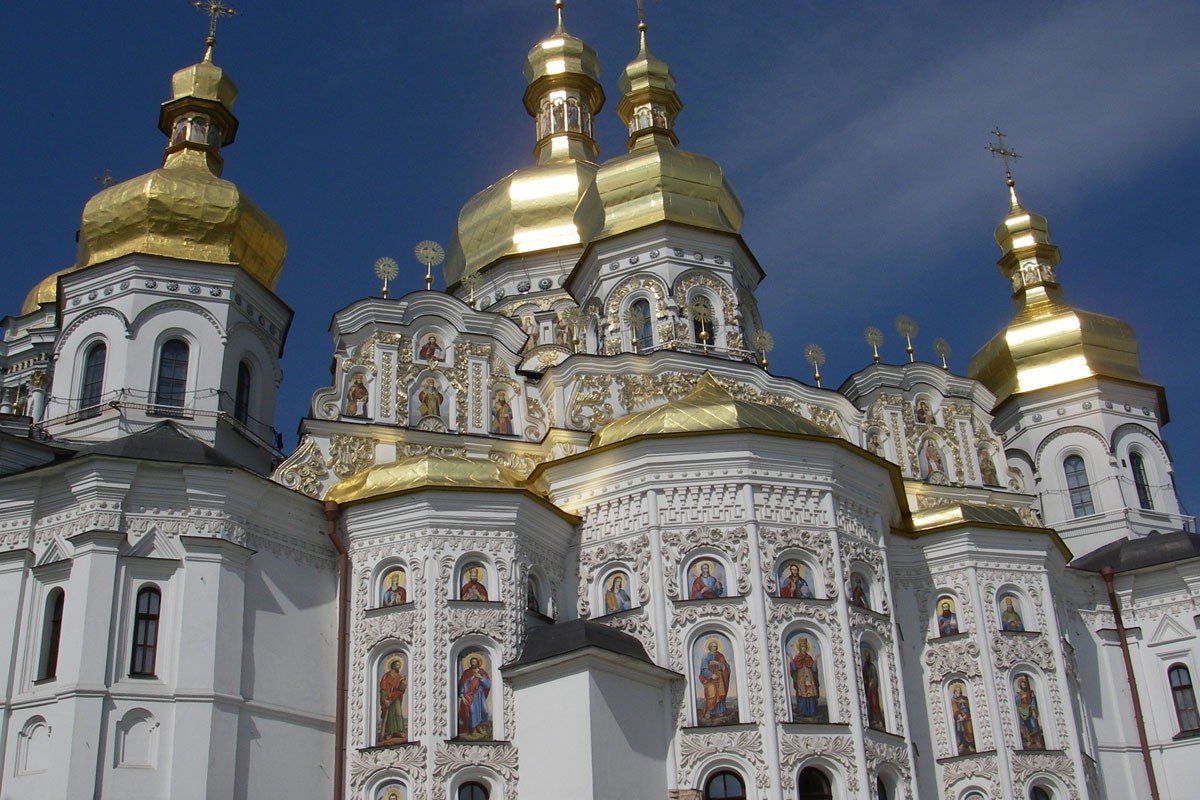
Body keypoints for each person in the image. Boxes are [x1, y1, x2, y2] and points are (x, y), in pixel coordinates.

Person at [457, 656, 492, 738]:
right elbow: (463, 684)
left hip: (479, 694)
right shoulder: (466, 673)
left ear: (478, 663)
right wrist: (462, 696)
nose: (473, 663)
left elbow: (488, 684)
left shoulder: (481, 672)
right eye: (472, 662)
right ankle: (473, 730)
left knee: (484, 710)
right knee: (472, 712)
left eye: (475, 662)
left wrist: (480, 677)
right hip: (470, 695)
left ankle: (480, 727)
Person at [698, 638, 731, 723]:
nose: (715, 647)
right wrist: (711, 675)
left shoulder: (720, 655)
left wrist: (718, 664)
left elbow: (726, 667)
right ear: (709, 647)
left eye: (716, 646)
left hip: (720, 679)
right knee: (711, 694)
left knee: (720, 693)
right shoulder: (706, 656)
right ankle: (709, 711)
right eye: (713, 646)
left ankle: (719, 711)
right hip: (710, 679)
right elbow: (703, 669)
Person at [377, 657, 407, 744]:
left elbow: (402, 689)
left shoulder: (400, 676)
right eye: (397, 665)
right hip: (387, 697)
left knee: (398, 713)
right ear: (393, 666)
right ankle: (389, 732)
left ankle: (400, 731)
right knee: (389, 715)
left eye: (399, 665)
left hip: (396, 697)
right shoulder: (386, 676)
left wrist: (403, 684)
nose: (398, 666)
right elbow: (383, 689)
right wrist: (385, 700)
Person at [789, 637, 820, 720]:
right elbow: (794, 669)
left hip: (809, 678)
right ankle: (802, 711)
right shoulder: (797, 658)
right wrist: (792, 661)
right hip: (800, 679)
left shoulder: (809, 658)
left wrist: (815, 662)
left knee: (810, 694)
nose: (803, 648)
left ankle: (811, 711)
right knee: (802, 695)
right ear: (799, 647)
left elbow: (813, 669)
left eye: (805, 646)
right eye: (802, 646)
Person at [1014, 675, 1045, 749]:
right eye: (1022, 685)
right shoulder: (1019, 694)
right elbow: (1017, 702)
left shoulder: (1030, 693)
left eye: (1024, 684)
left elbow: (1033, 702)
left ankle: (1037, 741)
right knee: (1026, 727)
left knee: (1033, 726)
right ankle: (1029, 740)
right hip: (1022, 711)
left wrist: (1033, 709)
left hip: (1029, 711)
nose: (1023, 686)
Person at [950, 683, 976, 754]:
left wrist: (965, 716)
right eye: (957, 691)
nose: (959, 693)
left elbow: (969, 707)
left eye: (960, 691)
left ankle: (970, 745)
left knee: (969, 731)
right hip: (960, 718)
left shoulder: (965, 699)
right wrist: (960, 716)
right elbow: (955, 709)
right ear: (954, 692)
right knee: (960, 731)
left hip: (967, 717)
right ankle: (963, 744)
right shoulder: (953, 700)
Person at [862, 649, 884, 730]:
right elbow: (864, 677)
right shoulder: (864, 667)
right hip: (867, 689)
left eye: (868, 656)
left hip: (872, 689)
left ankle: (878, 720)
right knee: (869, 705)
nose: (867, 658)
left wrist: (872, 682)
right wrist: (866, 682)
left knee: (874, 704)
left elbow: (875, 677)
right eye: (866, 656)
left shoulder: (872, 666)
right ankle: (872, 721)